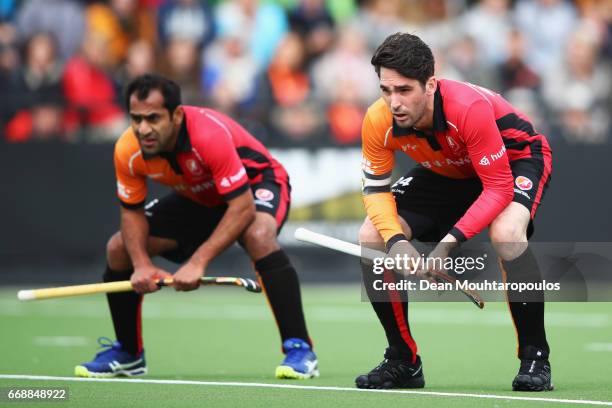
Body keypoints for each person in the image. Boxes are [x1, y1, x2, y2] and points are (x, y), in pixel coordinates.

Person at [75, 74, 318, 380]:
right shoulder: (128, 149)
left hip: (257, 184)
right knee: (119, 248)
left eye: (153, 118)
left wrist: (198, 262)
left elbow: (242, 208)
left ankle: (299, 348)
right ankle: (128, 353)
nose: (143, 128)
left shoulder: (207, 135)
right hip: (200, 196)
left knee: (259, 235)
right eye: (136, 119)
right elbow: (131, 213)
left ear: (176, 115)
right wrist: (141, 265)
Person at [357, 33, 552, 391]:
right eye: (386, 90)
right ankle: (403, 360)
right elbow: (376, 190)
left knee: (508, 234)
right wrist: (396, 240)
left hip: (514, 161)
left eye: (404, 90)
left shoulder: (467, 108)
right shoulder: (377, 119)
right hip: (448, 169)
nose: (394, 102)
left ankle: (535, 357)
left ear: (430, 84)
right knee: (372, 235)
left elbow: (497, 188)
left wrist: (446, 246)